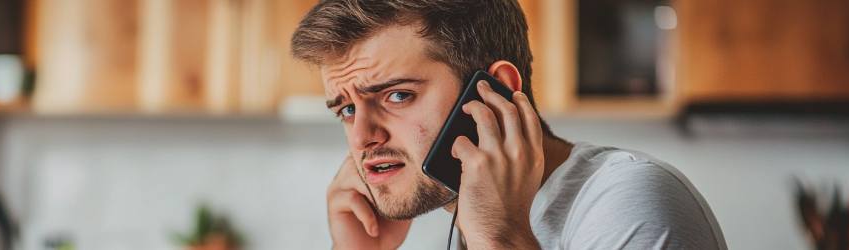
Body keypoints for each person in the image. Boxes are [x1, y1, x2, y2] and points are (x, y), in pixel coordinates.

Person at [290, 0, 727, 249]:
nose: (363, 137)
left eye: (397, 96)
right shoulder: (466, 217)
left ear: (493, 92)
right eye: (346, 109)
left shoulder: (629, 202)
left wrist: (500, 238)